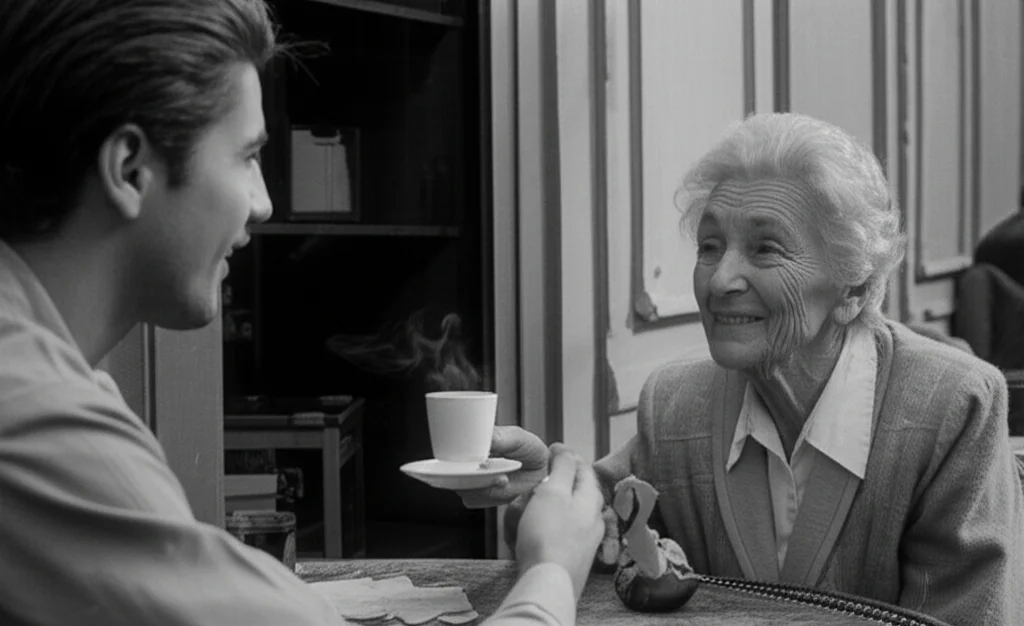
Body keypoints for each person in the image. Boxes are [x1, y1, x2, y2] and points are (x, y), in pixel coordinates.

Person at [0, 1, 603, 625]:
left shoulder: (45, 379)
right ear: (130, 168)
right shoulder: (39, 422)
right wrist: (550, 571)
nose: (262, 205)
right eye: (246, 156)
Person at [462, 113, 1024, 625]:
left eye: (765, 249)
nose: (720, 279)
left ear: (853, 285)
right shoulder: (676, 402)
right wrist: (544, 489)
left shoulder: (954, 407)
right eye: (710, 245)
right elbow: (600, 530)